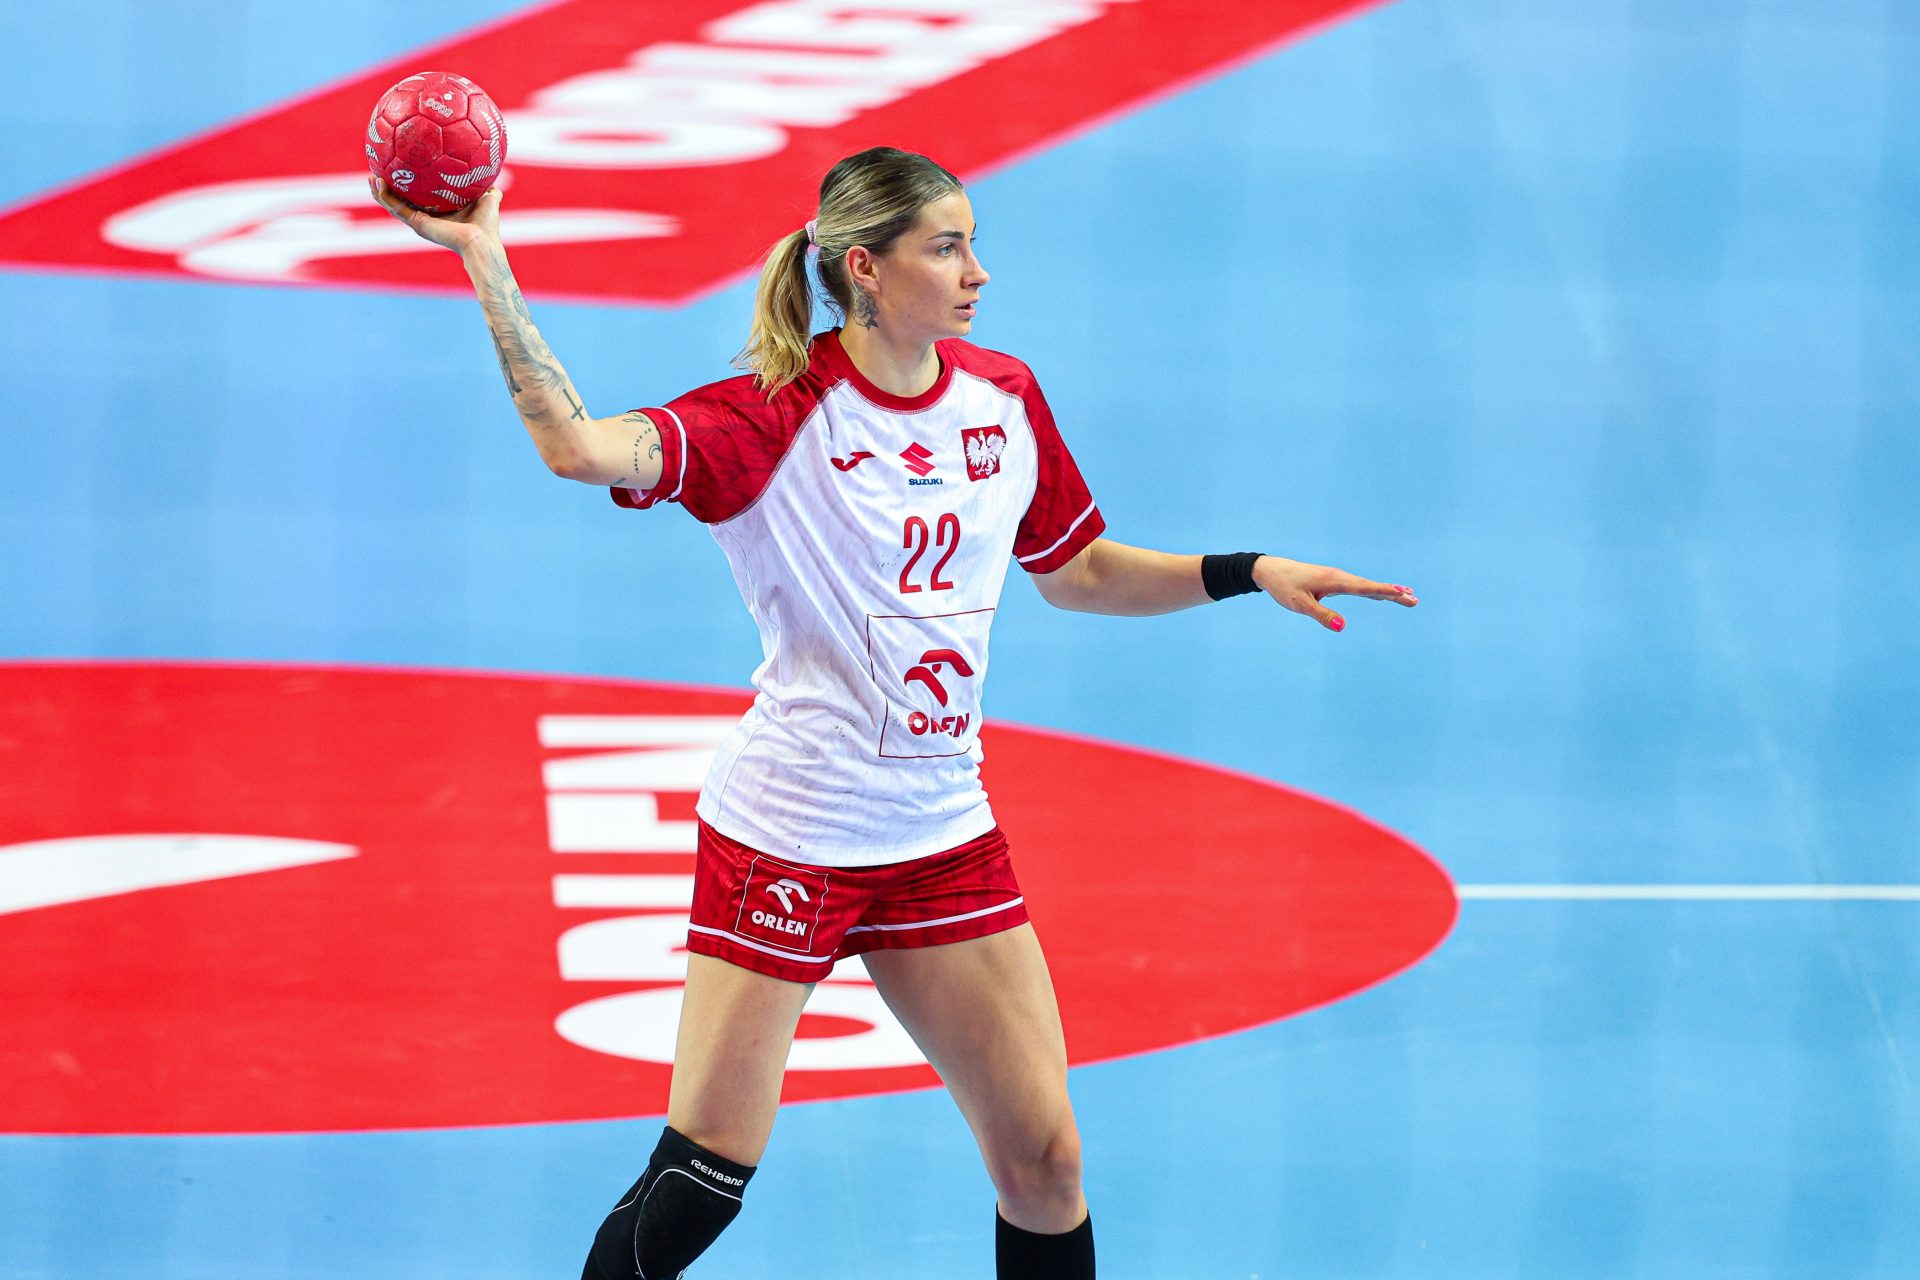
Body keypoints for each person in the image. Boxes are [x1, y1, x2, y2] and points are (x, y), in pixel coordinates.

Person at [371, 146, 1417, 1280]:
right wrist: (484, 253)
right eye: (946, 247)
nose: (977, 272)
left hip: (939, 832)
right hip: (791, 834)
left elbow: (1079, 572)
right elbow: (575, 447)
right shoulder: (765, 419)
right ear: (865, 269)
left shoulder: (1002, 399)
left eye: (973, 243)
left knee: (1045, 1160)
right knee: (704, 1177)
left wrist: (1246, 570)